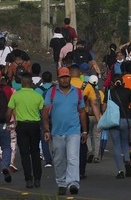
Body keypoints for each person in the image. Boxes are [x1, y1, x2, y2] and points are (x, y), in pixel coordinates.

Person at [43, 66, 86, 196]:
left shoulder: (77, 92)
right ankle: (61, 183)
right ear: (58, 79)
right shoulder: (51, 92)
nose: (65, 80)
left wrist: (84, 131)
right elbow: (45, 111)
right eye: (62, 77)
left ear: (70, 78)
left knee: (73, 157)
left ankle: (73, 183)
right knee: (59, 159)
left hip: (73, 131)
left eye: (67, 77)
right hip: (57, 132)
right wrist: (46, 129)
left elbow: (82, 112)